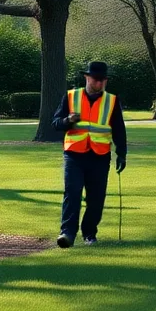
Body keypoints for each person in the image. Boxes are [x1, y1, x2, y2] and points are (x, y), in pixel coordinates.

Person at [52, 61, 127, 248]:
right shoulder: (71, 96)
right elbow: (55, 123)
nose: (100, 84)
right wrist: (68, 120)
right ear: (87, 78)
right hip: (74, 154)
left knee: (96, 197)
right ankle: (67, 233)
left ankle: (89, 233)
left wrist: (122, 153)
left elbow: (119, 129)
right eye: (96, 80)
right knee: (72, 192)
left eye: (103, 80)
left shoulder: (111, 100)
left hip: (100, 155)